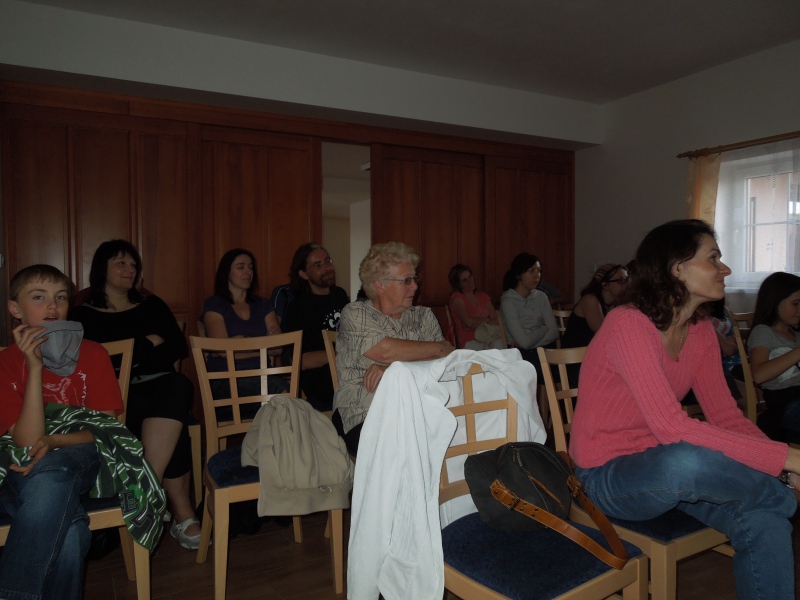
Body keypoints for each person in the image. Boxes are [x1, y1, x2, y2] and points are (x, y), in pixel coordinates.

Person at [570, 219, 799, 600]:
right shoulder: (628, 323)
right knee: (686, 458)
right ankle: (779, 495)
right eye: (714, 259)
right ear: (677, 268)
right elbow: (672, 429)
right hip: (606, 477)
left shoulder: (701, 330)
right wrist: (786, 459)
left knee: (764, 518)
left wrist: (780, 464)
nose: (725, 269)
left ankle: (773, 500)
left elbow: (727, 417)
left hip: (668, 473)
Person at [0, 265, 123, 599]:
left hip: (80, 456)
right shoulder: (6, 362)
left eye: (61, 297)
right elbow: (26, 442)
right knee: (69, 535)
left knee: (53, 470)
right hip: (21, 466)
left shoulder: (93, 353)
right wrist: (35, 367)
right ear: (15, 308)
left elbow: (107, 428)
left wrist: (55, 441)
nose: (52, 305)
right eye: (39, 297)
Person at [69, 240, 199, 550]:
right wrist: (145, 343)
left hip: (160, 385)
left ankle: (145, 490)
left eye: (132, 264)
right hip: (113, 395)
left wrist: (126, 355)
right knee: (172, 421)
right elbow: (92, 363)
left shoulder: (152, 305)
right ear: (102, 269)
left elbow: (177, 347)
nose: (129, 269)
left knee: (177, 386)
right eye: (121, 263)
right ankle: (182, 515)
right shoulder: (82, 316)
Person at [332, 242, 454, 455]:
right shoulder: (355, 314)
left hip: (420, 409)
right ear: (380, 285)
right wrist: (436, 349)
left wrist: (392, 371)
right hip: (363, 412)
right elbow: (386, 351)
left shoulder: (423, 316)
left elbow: (447, 363)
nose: (415, 286)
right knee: (408, 447)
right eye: (406, 280)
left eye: (414, 279)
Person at [201, 248, 289, 402]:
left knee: (279, 390)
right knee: (279, 389)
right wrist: (264, 346)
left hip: (262, 375)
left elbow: (278, 348)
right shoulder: (215, 304)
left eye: (250, 267)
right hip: (226, 379)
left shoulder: (263, 305)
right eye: (241, 267)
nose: (248, 272)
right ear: (226, 272)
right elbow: (222, 350)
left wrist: (239, 343)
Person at [282, 243, 349, 412]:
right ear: (303, 274)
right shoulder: (298, 308)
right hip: (321, 381)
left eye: (328, 261)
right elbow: (301, 361)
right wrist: (341, 355)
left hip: (347, 372)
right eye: (318, 265)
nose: (327, 268)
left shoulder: (340, 296)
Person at [748, 272, 800, 444]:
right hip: (784, 406)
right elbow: (759, 375)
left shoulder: (797, 334)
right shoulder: (763, 332)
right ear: (775, 301)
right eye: (795, 303)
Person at [500, 252, 559, 380]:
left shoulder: (541, 296)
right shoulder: (508, 302)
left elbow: (554, 332)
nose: (537, 275)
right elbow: (524, 342)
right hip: (521, 354)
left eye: (539, 271)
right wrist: (544, 328)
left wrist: (530, 342)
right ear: (518, 275)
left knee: (565, 367)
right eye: (531, 271)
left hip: (544, 349)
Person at [561, 263, 628, 349]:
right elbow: (604, 334)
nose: (626, 284)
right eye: (621, 281)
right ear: (605, 285)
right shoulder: (590, 300)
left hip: (591, 352)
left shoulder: (616, 302)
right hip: (574, 355)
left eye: (627, 280)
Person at [447, 264, 502, 350]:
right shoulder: (457, 298)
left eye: (470, 277)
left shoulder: (483, 296)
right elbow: (469, 323)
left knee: (500, 343)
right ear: (458, 284)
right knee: (496, 347)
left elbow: (496, 320)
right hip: (469, 341)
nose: (470, 281)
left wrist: (478, 323)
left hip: (488, 336)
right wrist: (487, 320)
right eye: (464, 280)